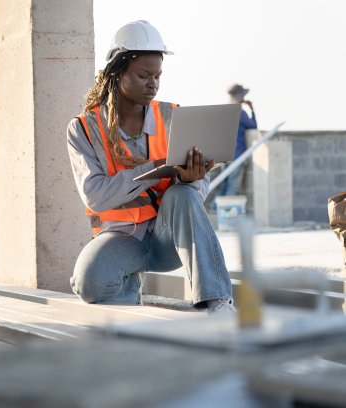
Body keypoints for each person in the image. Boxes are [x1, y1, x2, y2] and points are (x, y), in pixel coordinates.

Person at [66, 20, 234, 313]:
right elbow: (94, 195)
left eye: (157, 76)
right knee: (87, 283)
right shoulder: (84, 128)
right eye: (144, 75)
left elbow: (196, 193)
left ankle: (217, 303)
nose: (153, 84)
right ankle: (131, 299)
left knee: (183, 194)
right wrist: (154, 168)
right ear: (117, 74)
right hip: (121, 236)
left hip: (168, 237)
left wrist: (192, 179)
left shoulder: (173, 116)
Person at [211, 84, 257, 208]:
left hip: (223, 156)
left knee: (224, 185)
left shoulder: (224, 112)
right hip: (236, 156)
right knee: (233, 187)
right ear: (241, 98)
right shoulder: (240, 113)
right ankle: (223, 213)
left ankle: (213, 210)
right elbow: (253, 126)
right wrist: (252, 109)